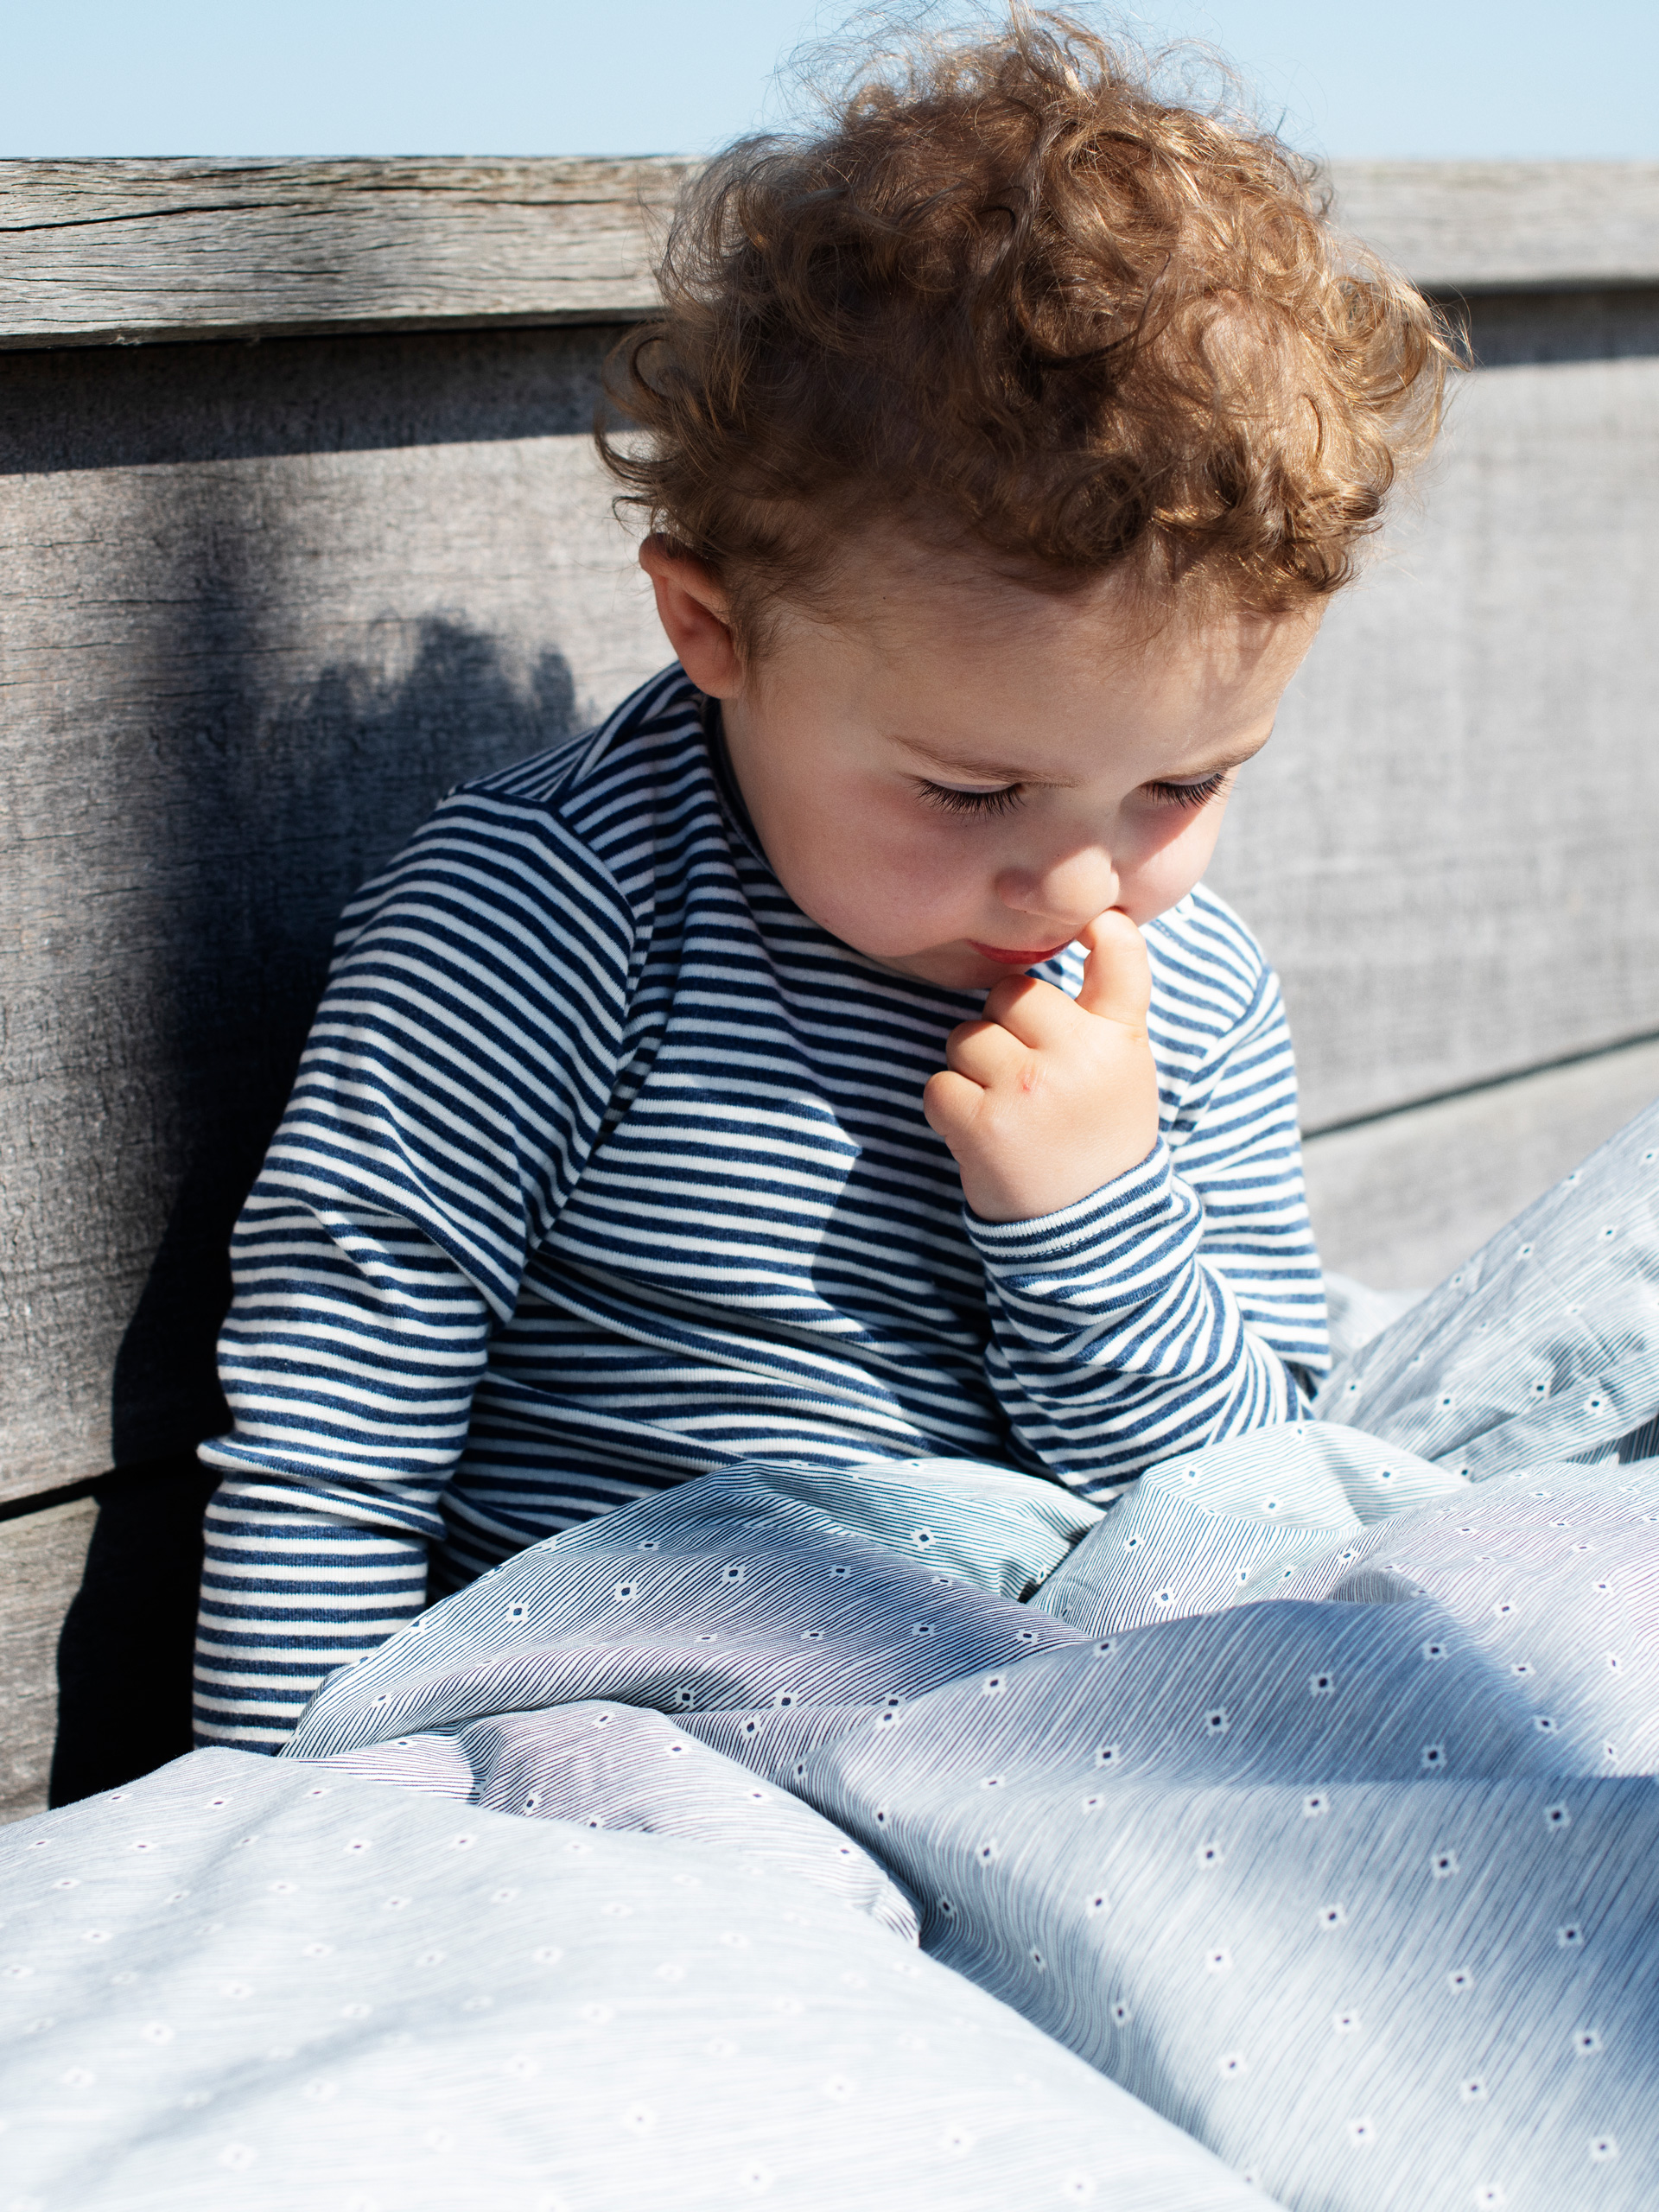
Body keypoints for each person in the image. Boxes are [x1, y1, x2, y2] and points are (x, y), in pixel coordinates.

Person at [193, 12, 1454, 1750]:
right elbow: (336, 1424)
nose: (1078, 881)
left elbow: (1252, 1497)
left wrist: (1091, 1223)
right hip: (635, 1718)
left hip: (1039, 1711)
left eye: (1184, 784)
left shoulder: (1194, 993)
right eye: (970, 791)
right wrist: (275, 1814)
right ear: (713, 627)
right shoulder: (551, 916)